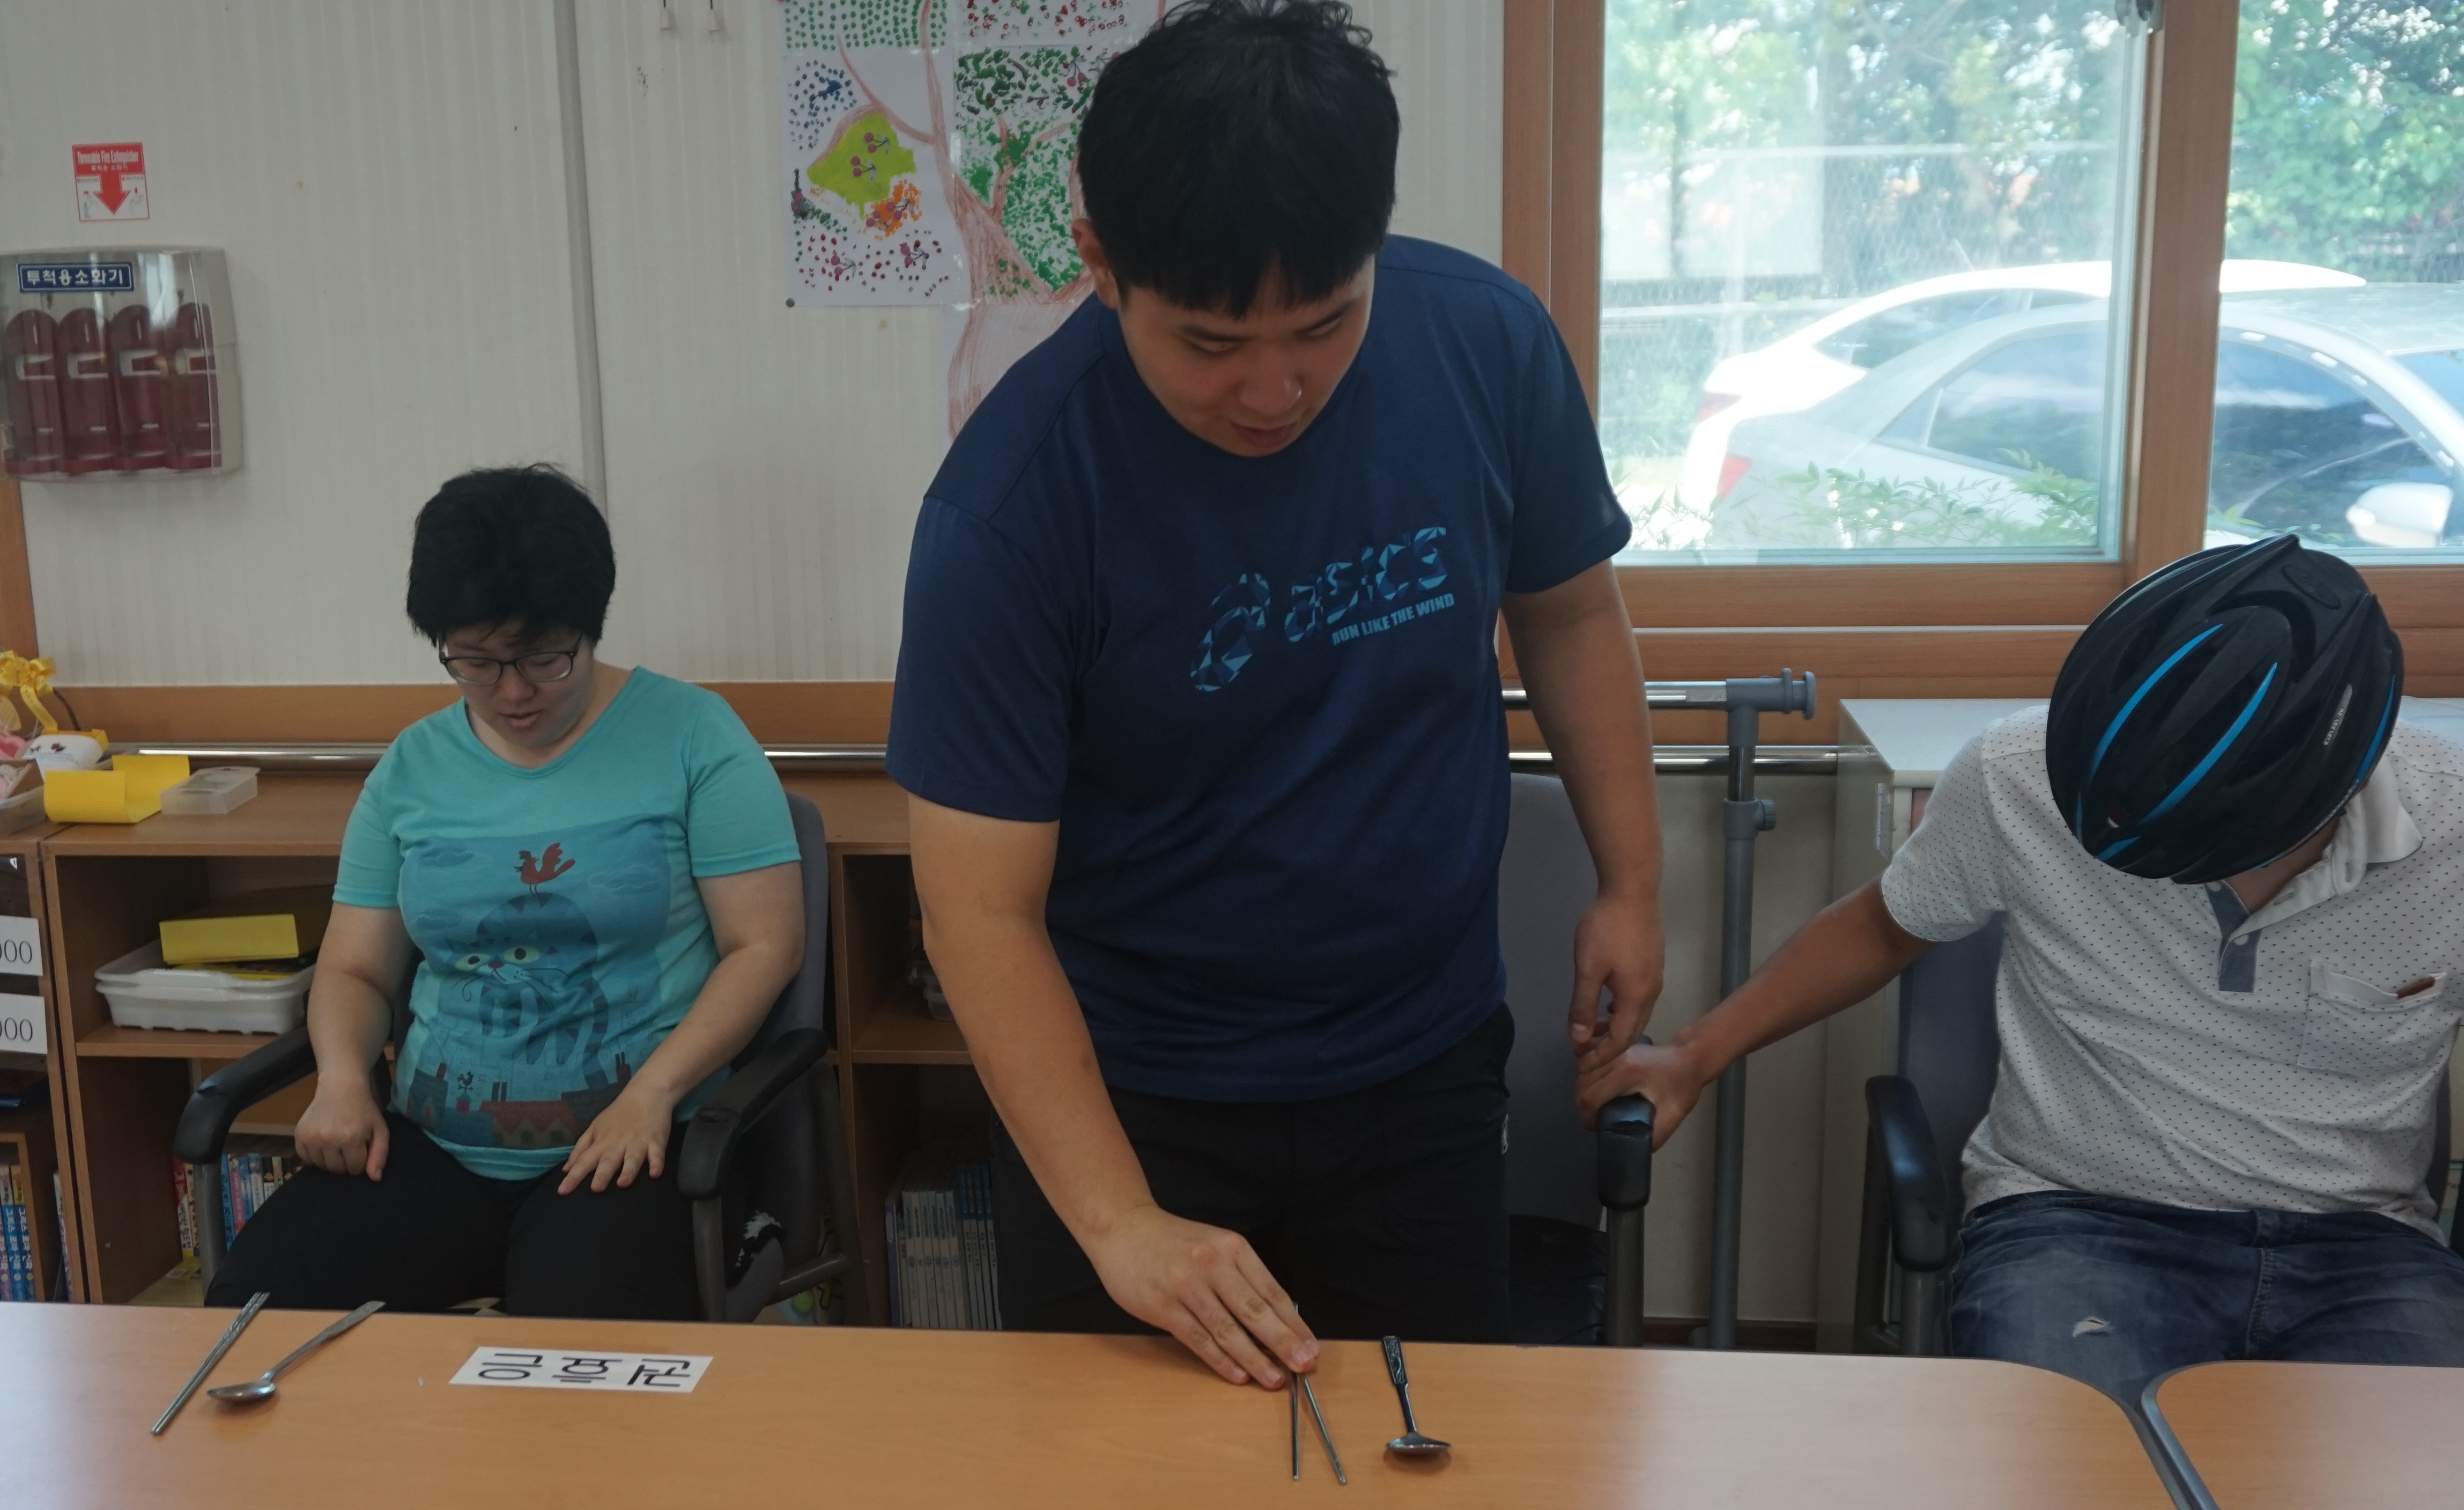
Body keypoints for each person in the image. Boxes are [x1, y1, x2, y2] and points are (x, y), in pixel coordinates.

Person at [888, 0, 1662, 1389]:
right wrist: (1120, 1223)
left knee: (1423, 1458)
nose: (1273, 390)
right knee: (1129, 1503)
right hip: (1135, 1092)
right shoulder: (1009, 508)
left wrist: (1634, 879)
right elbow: (977, 910)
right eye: (1208, 344)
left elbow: (1568, 610)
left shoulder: (1485, 344)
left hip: (1421, 1060)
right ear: (1102, 264)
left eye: (1324, 323)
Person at [1584, 537, 2464, 1403]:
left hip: (2365, 1248)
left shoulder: (2452, 818)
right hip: (2076, 1223)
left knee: (2411, 1493)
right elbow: (1882, 928)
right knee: (2074, 1484)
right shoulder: (2020, 775)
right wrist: (1691, 1056)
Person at [208, 465, 804, 1317]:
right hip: (430, 1149)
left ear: (590, 629)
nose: (514, 693)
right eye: (478, 663)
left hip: (632, 1146)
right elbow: (355, 970)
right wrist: (341, 1080)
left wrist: (654, 1095)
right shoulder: (412, 769)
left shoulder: (693, 736)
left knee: (569, 1356)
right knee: (254, 1312)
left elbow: (764, 945)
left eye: (544, 658)